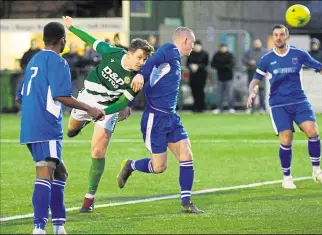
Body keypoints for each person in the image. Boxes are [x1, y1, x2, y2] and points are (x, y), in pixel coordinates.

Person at [15, 21, 104, 234]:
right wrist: (89, 109)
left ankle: (59, 225)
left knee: (60, 173)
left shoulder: (34, 60)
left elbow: (20, 97)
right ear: (62, 40)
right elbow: (61, 96)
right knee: (45, 172)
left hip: (29, 125)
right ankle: (39, 227)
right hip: (47, 126)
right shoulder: (58, 62)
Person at [62, 16, 154, 213]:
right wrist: (72, 28)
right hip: (86, 100)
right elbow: (90, 39)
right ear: (129, 53)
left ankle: (89, 199)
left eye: (145, 59)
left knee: (98, 151)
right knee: (70, 131)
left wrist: (104, 112)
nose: (142, 62)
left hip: (108, 109)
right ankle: (83, 123)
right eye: (139, 57)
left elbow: (122, 102)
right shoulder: (112, 52)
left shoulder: (137, 78)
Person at [247, 24, 322, 189]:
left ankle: (317, 172)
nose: (279, 38)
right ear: (273, 37)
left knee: (313, 132)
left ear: (287, 37)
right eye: (276, 35)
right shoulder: (267, 58)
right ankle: (287, 177)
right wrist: (252, 91)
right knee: (287, 139)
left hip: (299, 100)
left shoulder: (299, 54)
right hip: (279, 104)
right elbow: (255, 79)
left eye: (282, 34)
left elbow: (320, 68)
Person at [117, 26, 204, 213]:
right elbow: (151, 62)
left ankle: (186, 203)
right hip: (155, 118)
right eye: (193, 42)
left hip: (171, 117)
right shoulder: (168, 50)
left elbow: (150, 76)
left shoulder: (175, 59)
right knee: (159, 167)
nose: (193, 46)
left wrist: (131, 101)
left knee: (186, 155)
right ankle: (130, 165)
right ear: (186, 40)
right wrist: (139, 75)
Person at [243, 39, 267, 114]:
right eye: (255, 43)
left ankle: (262, 108)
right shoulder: (249, 52)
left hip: (261, 76)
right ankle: (251, 109)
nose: (256, 44)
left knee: (262, 92)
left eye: (258, 43)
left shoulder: (264, 52)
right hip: (252, 74)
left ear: (260, 44)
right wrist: (249, 62)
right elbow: (243, 60)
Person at [211, 44, 235, 114]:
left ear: (227, 48)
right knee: (219, 94)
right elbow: (213, 64)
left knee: (230, 94)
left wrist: (221, 66)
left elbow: (231, 65)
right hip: (220, 77)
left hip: (229, 77)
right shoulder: (217, 55)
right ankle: (219, 108)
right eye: (221, 48)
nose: (223, 49)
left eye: (224, 48)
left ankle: (231, 108)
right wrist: (223, 66)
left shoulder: (230, 55)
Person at [186, 40, 209, 113]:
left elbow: (206, 64)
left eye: (198, 45)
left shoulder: (205, 54)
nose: (196, 47)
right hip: (193, 76)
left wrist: (198, 67)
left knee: (200, 91)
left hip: (201, 75)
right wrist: (191, 67)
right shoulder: (191, 54)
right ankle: (195, 107)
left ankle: (201, 107)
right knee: (194, 91)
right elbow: (187, 63)